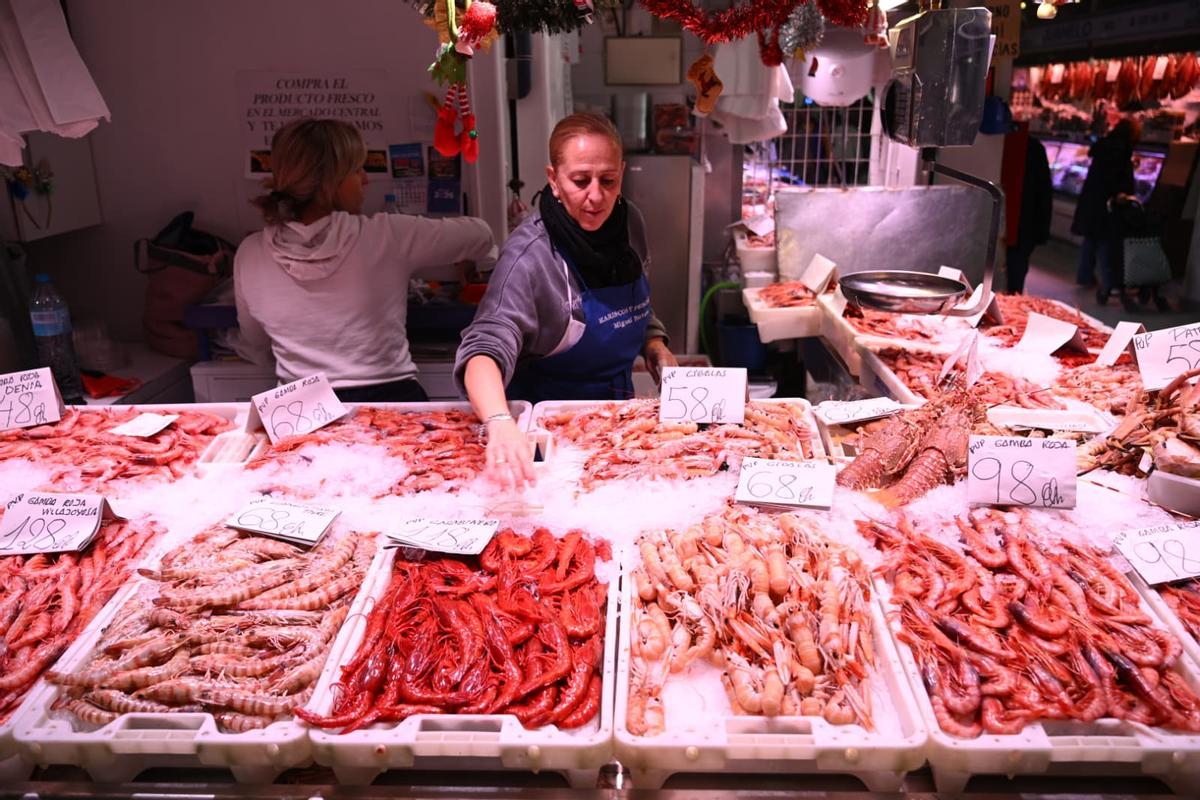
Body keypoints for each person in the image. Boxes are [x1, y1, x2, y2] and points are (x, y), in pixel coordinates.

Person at [454, 113, 677, 488]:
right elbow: (484, 348)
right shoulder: (530, 256)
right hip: (548, 433)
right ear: (553, 180)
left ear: (622, 174)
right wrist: (499, 422)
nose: (596, 196)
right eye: (580, 180)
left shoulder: (628, 223)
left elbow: (634, 303)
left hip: (618, 419)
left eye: (608, 180)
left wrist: (654, 344)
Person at [234, 119, 495, 402]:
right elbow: (481, 235)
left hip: (299, 406)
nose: (366, 179)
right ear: (330, 182)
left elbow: (255, 340)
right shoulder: (386, 234)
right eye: (357, 170)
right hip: (389, 400)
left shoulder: (249, 252)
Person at [1071, 117, 1141, 305]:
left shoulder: (1102, 146)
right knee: (1106, 242)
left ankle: (1085, 276)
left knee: (1090, 239)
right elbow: (1120, 180)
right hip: (1109, 203)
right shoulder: (1122, 151)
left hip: (1092, 200)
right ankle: (1109, 282)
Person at [1006, 133, 1052, 294]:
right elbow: (1044, 193)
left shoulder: (1005, 142)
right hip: (1024, 225)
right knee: (1015, 278)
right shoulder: (1033, 147)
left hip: (1019, 224)